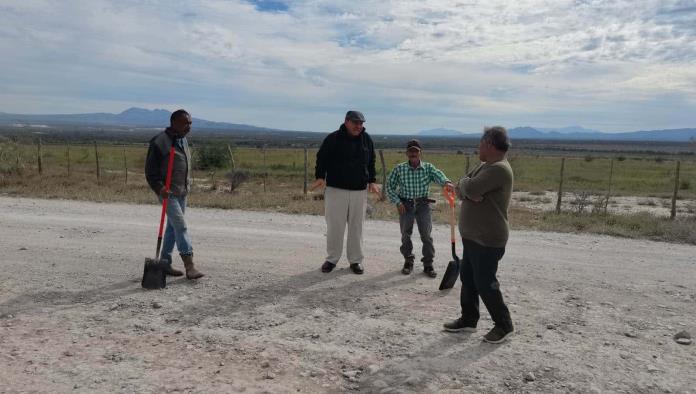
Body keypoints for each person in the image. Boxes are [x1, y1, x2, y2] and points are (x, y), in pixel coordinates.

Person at [443, 126, 514, 344]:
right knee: (469, 278)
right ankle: (469, 319)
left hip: (488, 237)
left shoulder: (499, 169)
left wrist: (468, 188)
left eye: (481, 143)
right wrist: (467, 188)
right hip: (474, 236)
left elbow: (469, 187)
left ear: (490, 144)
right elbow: (461, 186)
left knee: (485, 282)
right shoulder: (486, 166)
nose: (478, 147)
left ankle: (504, 325)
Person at [310, 110, 381, 275]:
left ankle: (356, 261)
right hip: (336, 189)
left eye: (361, 123)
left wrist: (372, 180)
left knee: (357, 227)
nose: (359, 126)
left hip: (359, 191)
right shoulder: (333, 138)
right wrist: (320, 176)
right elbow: (322, 158)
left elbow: (371, 161)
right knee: (335, 226)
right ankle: (331, 259)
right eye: (355, 122)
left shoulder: (367, 139)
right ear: (346, 121)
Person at [145, 109, 204, 280]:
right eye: (186, 123)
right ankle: (190, 266)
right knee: (181, 226)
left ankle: (164, 263)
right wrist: (160, 187)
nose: (189, 126)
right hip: (167, 193)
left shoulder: (182, 140)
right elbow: (150, 171)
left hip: (182, 192)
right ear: (174, 122)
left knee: (172, 228)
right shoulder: (160, 142)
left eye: (191, 123)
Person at [385, 139, 454, 278]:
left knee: (426, 236)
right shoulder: (399, 169)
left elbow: (438, 174)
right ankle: (408, 261)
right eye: (410, 151)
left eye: (416, 151)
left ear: (420, 153)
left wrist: (446, 182)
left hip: (423, 204)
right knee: (405, 234)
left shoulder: (428, 168)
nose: (413, 153)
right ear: (407, 153)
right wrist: (398, 202)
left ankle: (428, 264)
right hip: (406, 204)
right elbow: (389, 187)